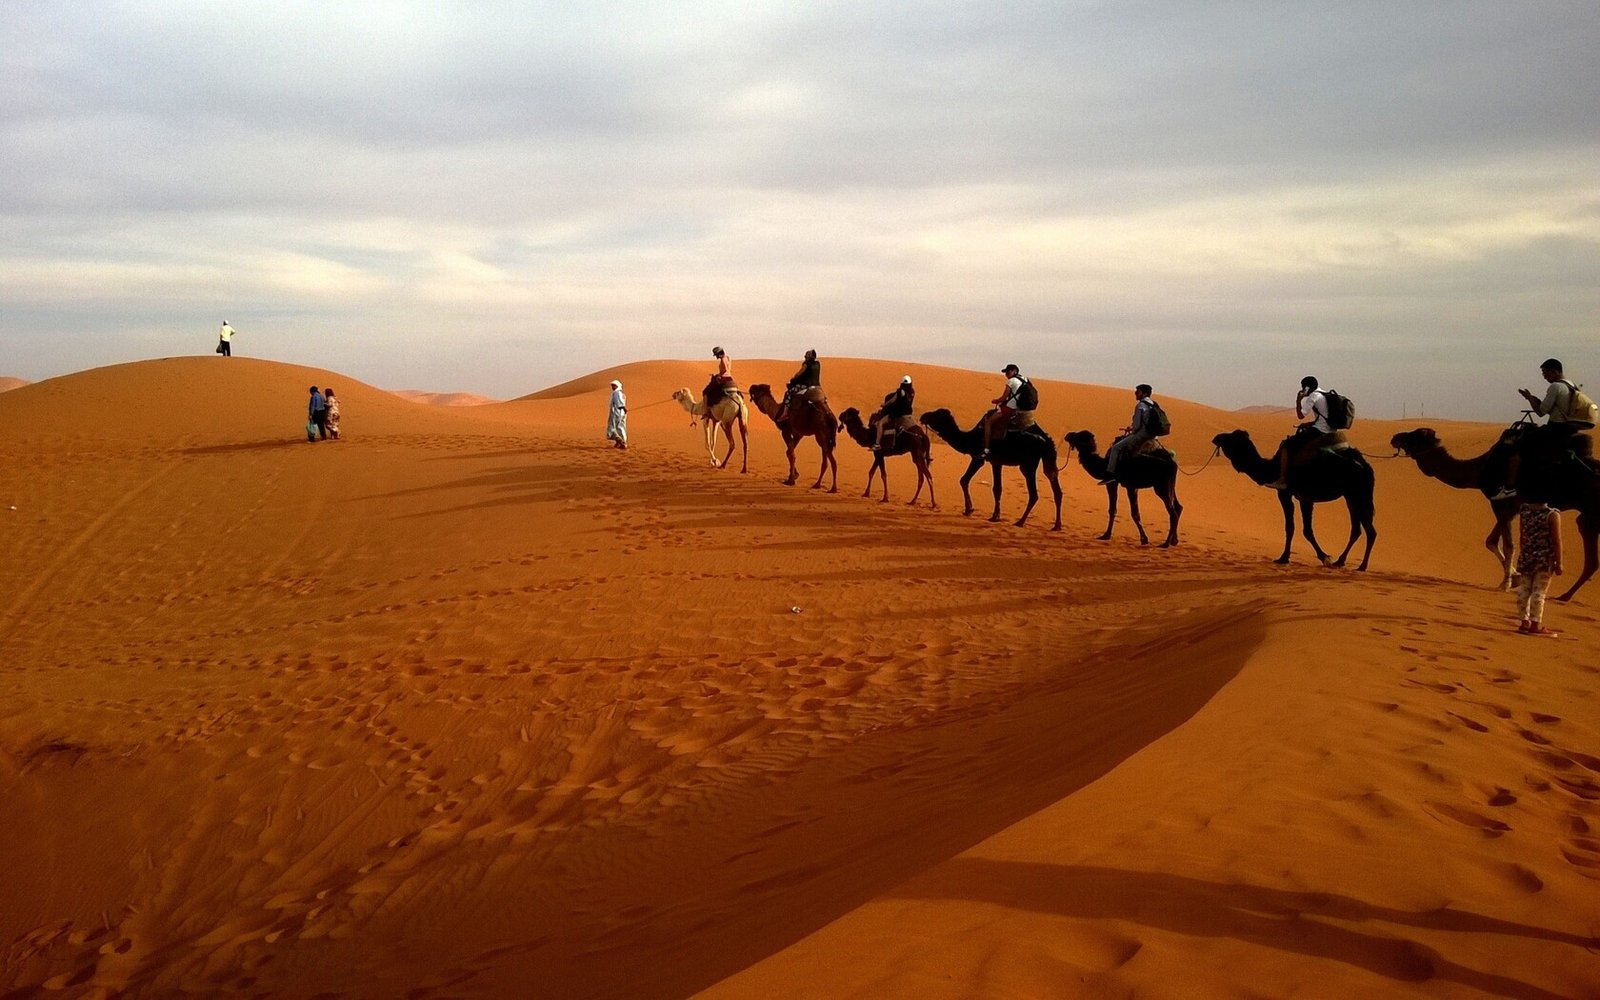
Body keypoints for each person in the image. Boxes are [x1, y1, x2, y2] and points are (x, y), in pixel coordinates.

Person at [1493, 359, 1589, 500]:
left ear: (1554, 371)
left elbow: (1540, 412)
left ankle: (1509, 487)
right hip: (1568, 429)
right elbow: (1556, 410)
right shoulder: (1572, 386)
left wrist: (1530, 399)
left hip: (1555, 429)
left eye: (1545, 373)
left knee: (1516, 445)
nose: (1544, 376)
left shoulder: (1555, 387)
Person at [1263, 376, 1330, 490]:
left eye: (1303, 387)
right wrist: (1308, 424)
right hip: (1330, 431)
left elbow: (1300, 415)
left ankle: (1282, 480)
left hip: (1319, 431)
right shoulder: (1326, 394)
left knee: (1286, 445)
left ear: (1307, 388)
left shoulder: (1313, 396)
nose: (1302, 389)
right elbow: (1324, 418)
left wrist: (1298, 400)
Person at [1514, 501, 1563, 636]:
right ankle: (1535, 624)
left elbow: (1522, 534)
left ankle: (1524, 622)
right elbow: (1556, 541)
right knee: (1539, 592)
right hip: (1543, 560)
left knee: (1523, 590)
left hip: (1526, 557)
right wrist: (1559, 563)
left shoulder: (1524, 510)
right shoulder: (1552, 515)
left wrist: (1524, 552)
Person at [1102, 383, 1156, 483]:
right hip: (1153, 436)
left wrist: (1132, 430)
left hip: (1141, 435)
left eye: (1137, 392)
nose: (1135, 394)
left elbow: (1136, 426)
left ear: (1144, 393)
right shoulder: (1153, 404)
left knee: (1115, 448)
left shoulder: (1140, 405)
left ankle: (1110, 474)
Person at [980, 364, 1027, 457]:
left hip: (1011, 407)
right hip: (1022, 408)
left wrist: (995, 401)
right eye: (1006, 372)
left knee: (988, 422)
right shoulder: (1025, 379)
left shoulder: (1011, 381)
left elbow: (1004, 397)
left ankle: (986, 449)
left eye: (1008, 372)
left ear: (1015, 371)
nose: (1006, 374)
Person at [776, 349, 822, 422]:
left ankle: (785, 413)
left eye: (807, 354)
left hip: (807, 386)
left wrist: (794, 378)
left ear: (810, 356)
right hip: (818, 387)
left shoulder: (806, 364)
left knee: (788, 393)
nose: (805, 356)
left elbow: (799, 374)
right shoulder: (818, 364)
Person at [871, 375, 915, 451]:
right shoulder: (912, 392)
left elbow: (892, 400)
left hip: (898, 413)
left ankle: (877, 444)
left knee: (880, 423)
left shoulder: (901, 391)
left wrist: (884, 404)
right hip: (909, 413)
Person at [702, 347, 733, 411]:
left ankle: (706, 410)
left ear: (719, 354)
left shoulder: (723, 359)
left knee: (705, 391)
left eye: (716, 355)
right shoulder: (728, 358)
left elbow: (725, 369)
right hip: (729, 378)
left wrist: (719, 375)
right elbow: (727, 370)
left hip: (723, 378)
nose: (716, 357)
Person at [607, 379, 628, 449]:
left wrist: (623, 407)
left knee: (615, 427)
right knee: (619, 427)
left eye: (614, 386)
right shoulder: (618, 393)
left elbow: (619, 403)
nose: (613, 387)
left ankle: (621, 442)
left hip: (617, 413)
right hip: (619, 412)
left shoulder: (617, 393)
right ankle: (619, 442)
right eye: (612, 386)